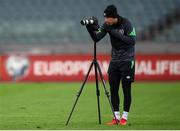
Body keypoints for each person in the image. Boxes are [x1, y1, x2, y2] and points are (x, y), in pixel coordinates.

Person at [86, 4, 136, 125]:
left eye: (107, 18)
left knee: (126, 89)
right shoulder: (107, 25)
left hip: (127, 61)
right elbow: (96, 38)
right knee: (113, 90)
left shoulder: (126, 23)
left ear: (114, 17)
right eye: (105, 18)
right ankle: (116, 117)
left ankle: (124, 117)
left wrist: (114, 33)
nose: (105, 20)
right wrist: (89, 27)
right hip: (114, 61)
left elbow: (132, 41)